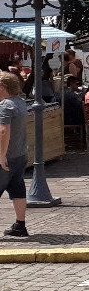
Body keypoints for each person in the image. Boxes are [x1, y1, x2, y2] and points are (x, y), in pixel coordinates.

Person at [0, 72, 29, 237]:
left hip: (7, 157)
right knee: (17, 189)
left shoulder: (5, 105)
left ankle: (20, 226)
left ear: (3, 87)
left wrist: (1, 156)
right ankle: (20, 224)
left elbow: (4, 132)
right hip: (20, 154)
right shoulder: (20, 103)